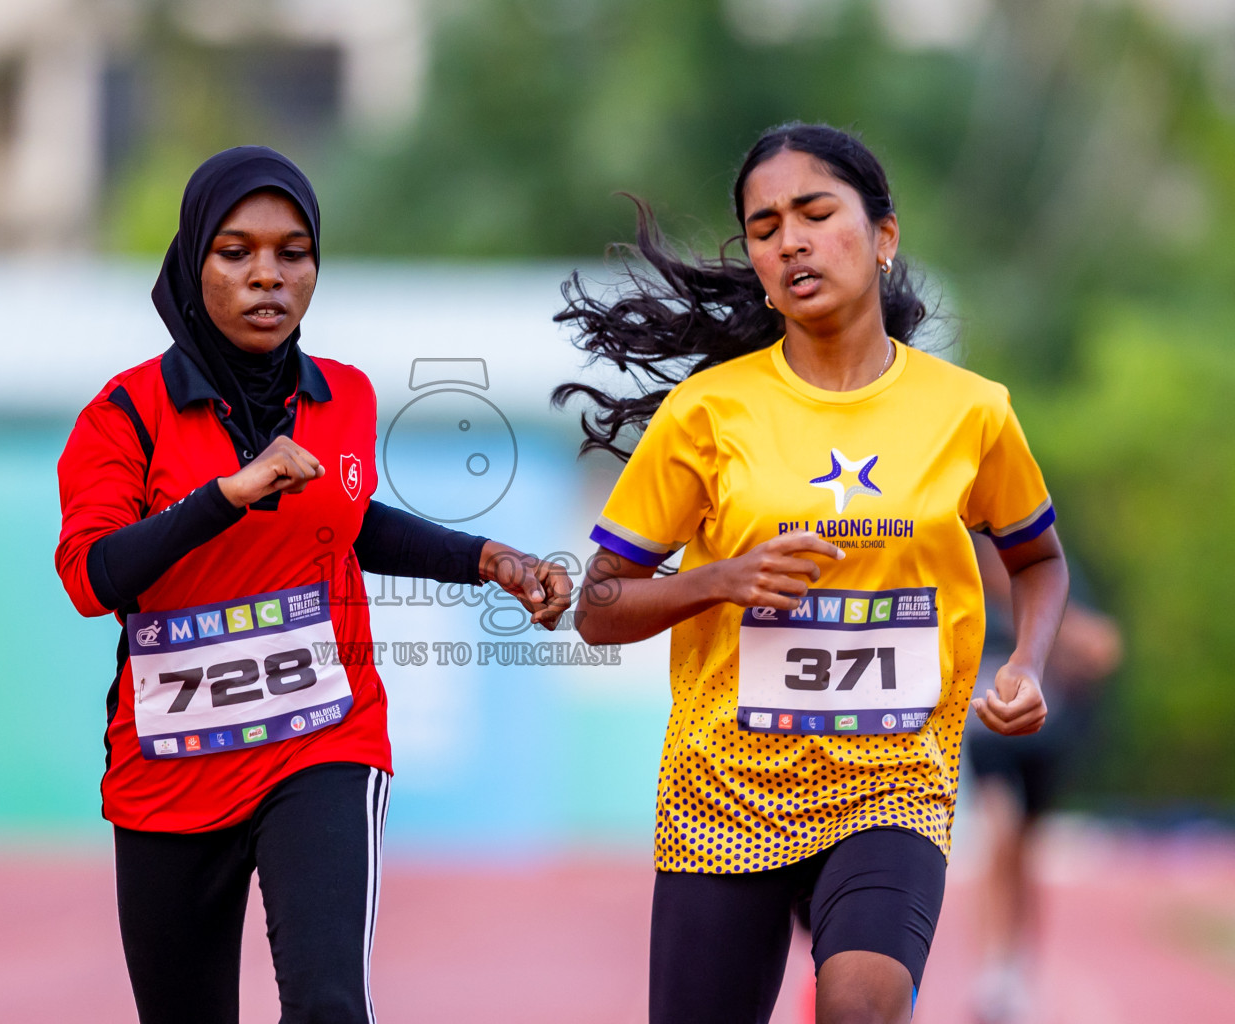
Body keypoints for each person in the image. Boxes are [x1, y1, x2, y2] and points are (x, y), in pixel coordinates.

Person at [555, 123, 1069, 1024]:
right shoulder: (707, 413)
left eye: (816, 212)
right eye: (763, 227)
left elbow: (1039, 559)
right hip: (725, 793)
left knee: (861, 1006)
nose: (788, 240)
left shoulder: (971, 413)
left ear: (884, 236)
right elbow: (598, 608)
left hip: (894, 782)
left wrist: (1025, 662)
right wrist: (720, 580)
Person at [54, 146, 570, 1024]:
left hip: (321, 738)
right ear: (192, 262)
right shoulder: (126, 414)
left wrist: (487, 559)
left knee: (331, 1006)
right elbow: (94, 576)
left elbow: (346, 518)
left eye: (293, 253)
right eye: (236, 252)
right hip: (171, 767)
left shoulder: (346, 400)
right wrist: (224, 497)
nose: (268, 276)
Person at [966, 537, 1121, 1024]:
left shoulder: (1052, 564)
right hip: (986, 728)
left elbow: (1102, 648)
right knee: (1001, 832)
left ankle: (1017, 964)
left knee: (1026, 850)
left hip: (1044, 733)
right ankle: (993, 969)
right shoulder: (959, 561)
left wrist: (1059, 634)